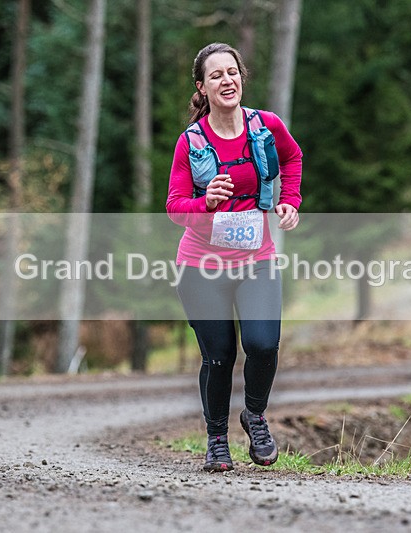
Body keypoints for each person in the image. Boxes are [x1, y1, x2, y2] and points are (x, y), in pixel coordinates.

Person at [166, 42, 303, 472]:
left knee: (262, 345)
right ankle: (216, 441)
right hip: (201, 265)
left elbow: (293, 156)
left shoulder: (266, 126)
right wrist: (204, 203)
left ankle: (255, 416)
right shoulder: (191, 142)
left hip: (255, 259)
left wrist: (290, 199)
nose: (227, 80)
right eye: (216, 75)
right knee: (219, 356)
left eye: (233, 72)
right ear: (202, 88)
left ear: (241, 77)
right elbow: (174, 208)